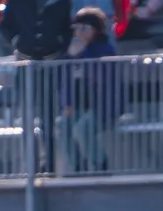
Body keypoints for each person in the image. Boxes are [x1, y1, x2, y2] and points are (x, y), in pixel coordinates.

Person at [56, 8, 118, 175]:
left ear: (95, 30)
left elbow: (98, 76)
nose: (79, 32)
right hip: (79, 105)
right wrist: (66, 103)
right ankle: (78, 168)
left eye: (84, 28)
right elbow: (65, 81)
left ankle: (100, 166)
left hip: (103, 107)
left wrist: (81, 53)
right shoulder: (70, 50)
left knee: (83, 128)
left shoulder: (105, 50)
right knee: (63, 125)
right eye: (76, 28)